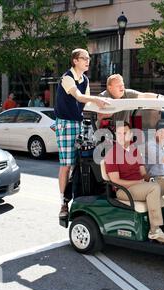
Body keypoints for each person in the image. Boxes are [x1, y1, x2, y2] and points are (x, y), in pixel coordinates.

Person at [55, 48, 110, 218]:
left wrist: (109, 106)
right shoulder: (67, 78)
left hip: (79, 123)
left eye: (88, 58)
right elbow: (79, 97)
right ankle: (63, 203)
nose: (88, 61)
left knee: (85, 160)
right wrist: (96, 99)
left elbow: (86, 105)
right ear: (75, 61)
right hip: (65, 123)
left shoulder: (85, 79)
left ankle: (82, 195)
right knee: (67, 164)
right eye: (84, 58)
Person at [105, 122, 164, 244]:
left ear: (130, 135)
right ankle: (155, 230)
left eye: (125, 133)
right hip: (124, 190)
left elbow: (143, 173)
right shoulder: (112, 154)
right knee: (153, 189)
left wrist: (150, 179)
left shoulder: (133, 149)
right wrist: (138, 182)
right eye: (119, 133)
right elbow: (115, 181)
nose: (121, 136)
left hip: (140, 185)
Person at [96, 74, 161, 129]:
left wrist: (160, 97)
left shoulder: (127, 93)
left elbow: (143, 95)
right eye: (118, 86)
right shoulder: (102, 97)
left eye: (122, 85)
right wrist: (110, 111)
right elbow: (99, 117)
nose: (122, 88)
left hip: (124, 131)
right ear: (110, 88)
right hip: (105, 132)